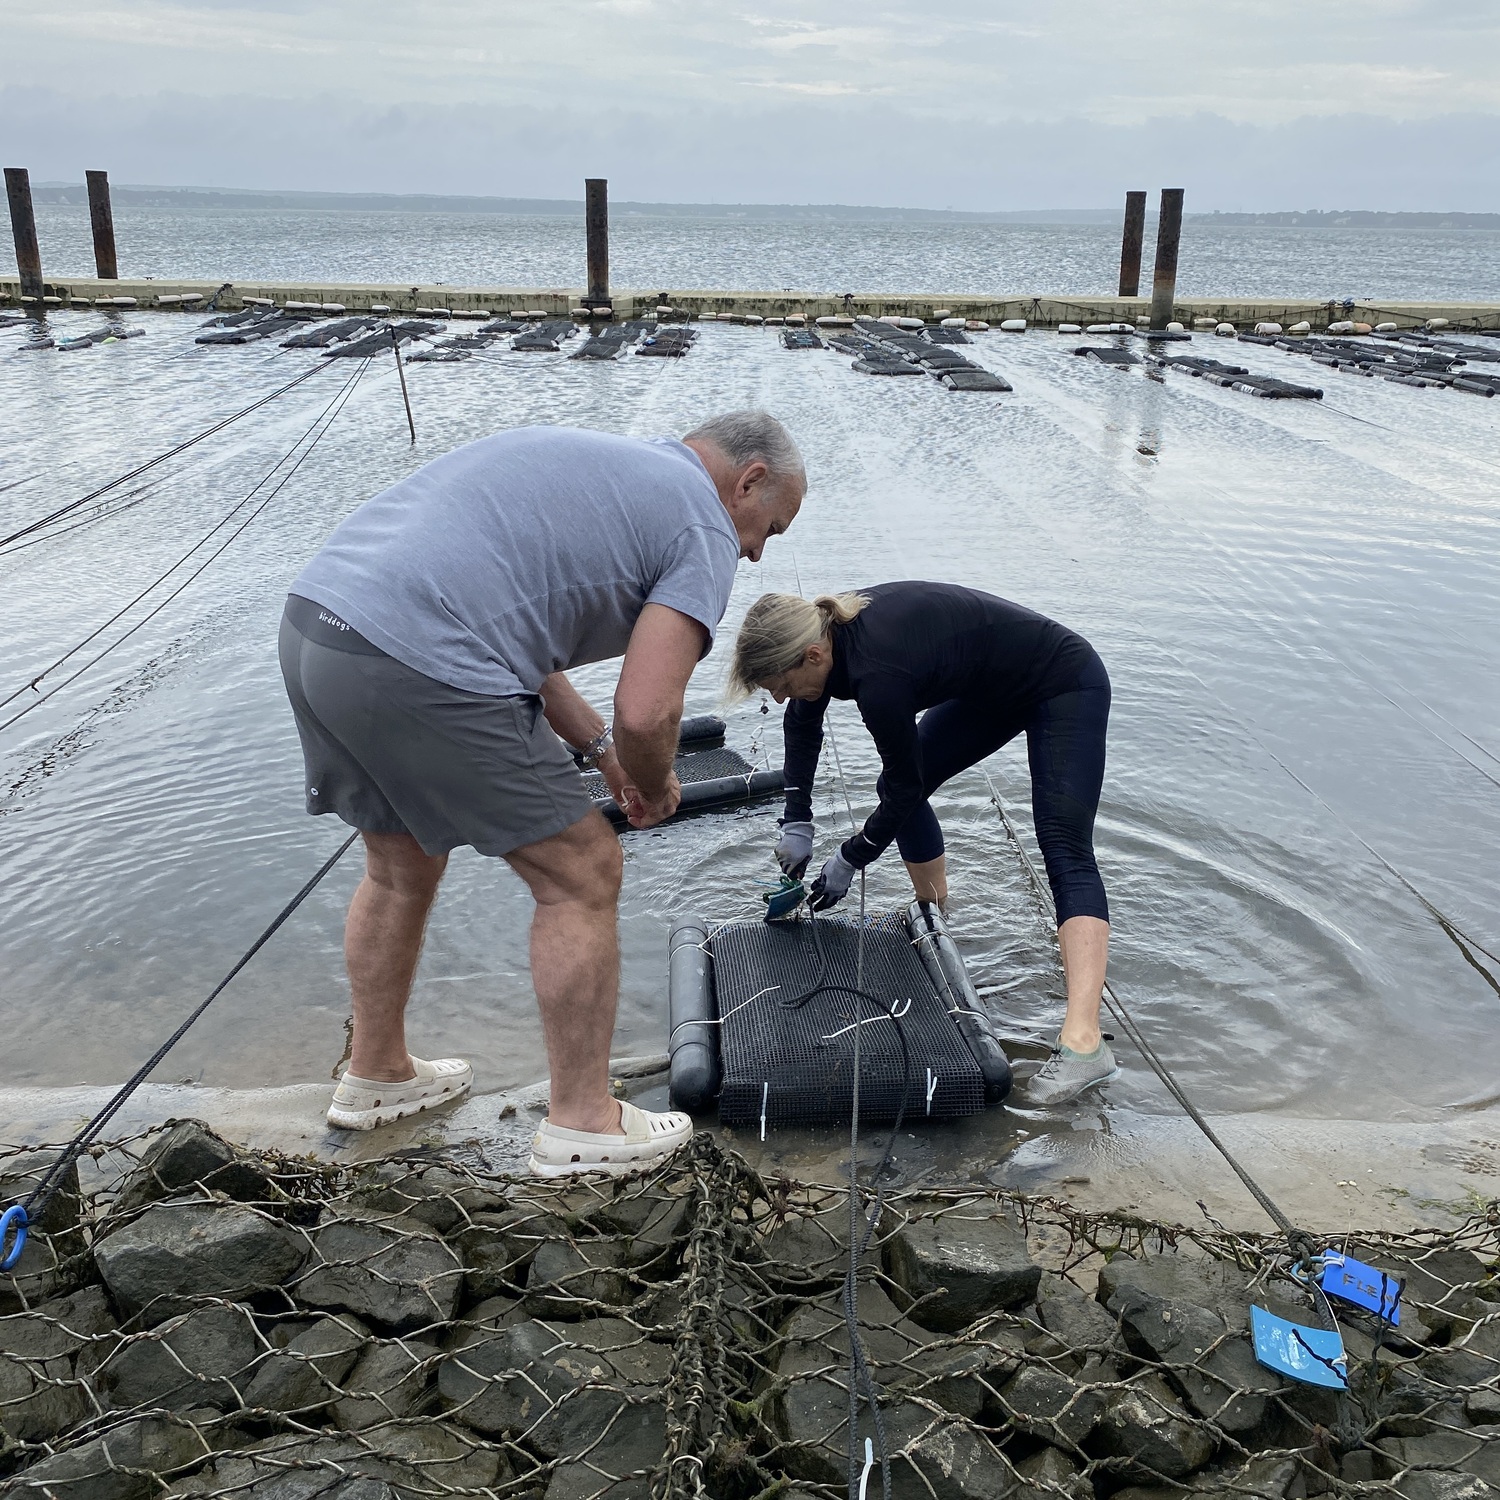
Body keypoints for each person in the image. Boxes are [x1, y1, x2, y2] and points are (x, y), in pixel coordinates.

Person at [279, 413, 806, 1173]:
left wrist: (600, 755)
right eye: (771, 528)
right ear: (748, 480)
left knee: (400, 866)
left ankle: (376, 1075)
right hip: (417, 654)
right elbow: (648, 709)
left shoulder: (614, 470)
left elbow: (511, 625)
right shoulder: (704, 527)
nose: (755, 550)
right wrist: (654, 785)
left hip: (318, 629)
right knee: (582, 873)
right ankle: (585, 1122)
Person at [728, 581, 1114, 1107]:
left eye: (780, 683)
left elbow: (907, 786)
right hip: (990, 692)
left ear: (814, 655)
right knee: (898, 789)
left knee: (1064, 848)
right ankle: (936, 917)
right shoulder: (821, 636)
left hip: (1064, 680)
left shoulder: (877, 674)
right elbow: (803, 724)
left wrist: (851, 857)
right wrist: (796, 823)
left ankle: (1085, 1045)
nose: (779, 696)